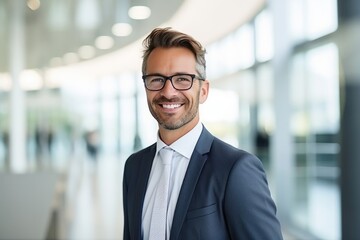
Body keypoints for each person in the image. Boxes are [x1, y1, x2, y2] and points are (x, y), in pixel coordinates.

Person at [122, 27, 283, 240]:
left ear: (204, 91)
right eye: (156, 79)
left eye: (182, 79)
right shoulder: (134, 167)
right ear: (146, 87)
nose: (168, 92)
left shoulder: (235, 169)